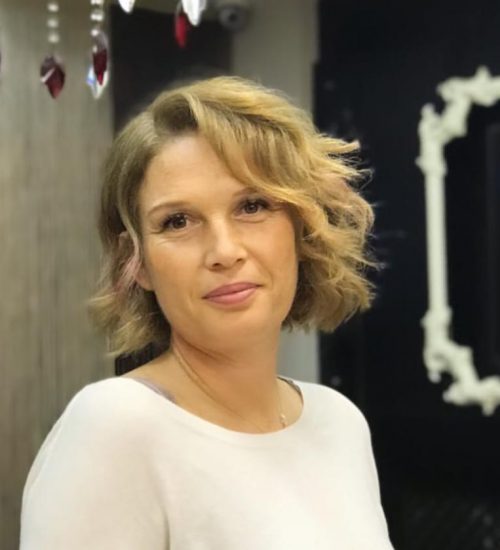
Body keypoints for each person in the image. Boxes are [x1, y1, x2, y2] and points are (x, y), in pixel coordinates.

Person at [19, 75, 394, 549]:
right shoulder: (115, 426)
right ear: (138, 263)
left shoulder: (338, 422)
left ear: (303, 227)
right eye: (178, 221)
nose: (224, 250)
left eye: (252, 206)